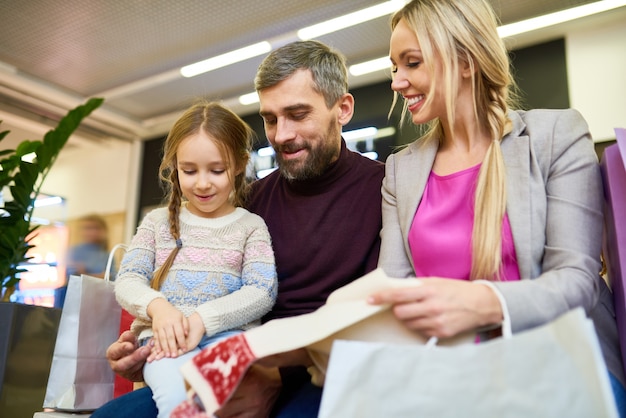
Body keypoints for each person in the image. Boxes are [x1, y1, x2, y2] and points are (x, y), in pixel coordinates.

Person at [92, 40, 384, 418]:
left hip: (319, 371)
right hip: (229, 360)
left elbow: (375, 316)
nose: (281, 135)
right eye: (271, 118)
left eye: (298, 114)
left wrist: (273, 374)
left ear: (342, 109)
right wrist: (147, 343)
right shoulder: (251, 201)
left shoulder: (384, 189)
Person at [367, 0, 625, 414]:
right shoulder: (401, 170)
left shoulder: (555, 136)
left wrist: (482, 304)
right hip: (452, 372)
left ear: (465, 61)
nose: (397, 82)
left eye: (411, 63)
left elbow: (576, 281)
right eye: (394, 67)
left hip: (560, 360)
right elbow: (394, 288)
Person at [113, 101, 278, 418]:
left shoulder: (250, 226)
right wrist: (158, 308)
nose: (202, 183)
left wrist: (204, 319)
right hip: (165, 340)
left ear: (241, 164)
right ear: (174, 166)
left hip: (227, 339)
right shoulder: (157, 222)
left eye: (217, 170)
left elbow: (262, 289)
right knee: (177, 400)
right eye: (189, 171)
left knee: (224, 402)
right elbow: (129, 279)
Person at [55, 214, 111, 308]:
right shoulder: (74, 251)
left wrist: (84, 273)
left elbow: (111, 278)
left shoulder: (106, 254)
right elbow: (71, 276)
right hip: (74, 299)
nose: (91, 232)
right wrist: (97, 276)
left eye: (95, 228)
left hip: (97, 301)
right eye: (87, 228)